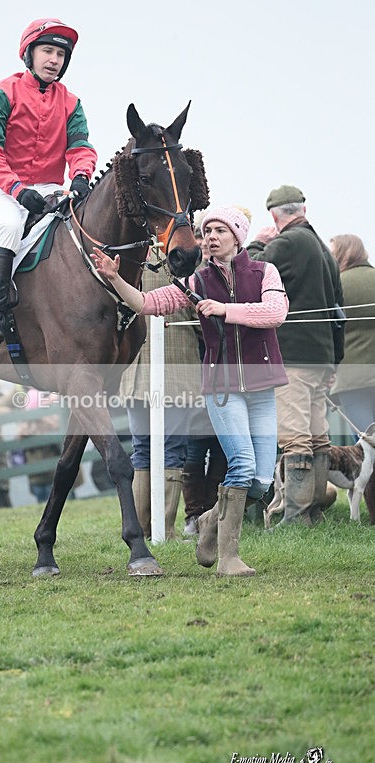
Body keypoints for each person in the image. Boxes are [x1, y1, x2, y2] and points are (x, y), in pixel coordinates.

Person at [92, 206, 289, 577]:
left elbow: (275, 312)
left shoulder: (266, 272)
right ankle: (228, 559)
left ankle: (210, 521)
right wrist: (117, 280)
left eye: (220, 230)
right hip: (221, 388)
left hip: (262, 387)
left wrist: (225, 310)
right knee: (242, 466)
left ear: (238, 237)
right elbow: (148, 304)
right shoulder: (196, 282)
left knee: (261, 483)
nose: (211, 236)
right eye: (207, 230)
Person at [0, 18, 97, 350]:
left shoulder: (72, 102)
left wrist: (81, 176)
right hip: (2, 188)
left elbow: (80, 147)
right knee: (11, 227)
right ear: (29, 54)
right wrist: (17, 191)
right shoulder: (0, 93)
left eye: (60, 54)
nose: (54, 60)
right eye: (47, 51)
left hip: (48, 187)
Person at [247, 185, 344, 526]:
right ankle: (313, 512)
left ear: (274, 215)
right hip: (321, 356)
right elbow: (338, 309)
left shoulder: (286, 243)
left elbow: (250, 272)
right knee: (317, 435)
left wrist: (259, 242)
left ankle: (297, 517)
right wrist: (335, 359)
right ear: (302, 208)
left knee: (294, 436)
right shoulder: (323, 248)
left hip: (293, 356)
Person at [119, 248, 208, 540]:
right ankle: (165, 529)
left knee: (142, 448)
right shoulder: (191, 260)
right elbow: (201, 319)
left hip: (134, 367)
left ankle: (142, 530)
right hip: (178, 366)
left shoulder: (132, 254)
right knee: (172, 448)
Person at [182, 211, 226, 536]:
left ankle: (212, 513)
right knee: (196, 449)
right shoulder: (193, 279)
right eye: (203, 236)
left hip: (225, 374)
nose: (207, 243)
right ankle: (193, 515)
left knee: (222, 449)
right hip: (198, 374)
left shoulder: (233, 278)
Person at [328, 234, 375, 524]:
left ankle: (372, 515)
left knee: (366, 449)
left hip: (352, 379)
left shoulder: (339, 285)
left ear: (343, 254)